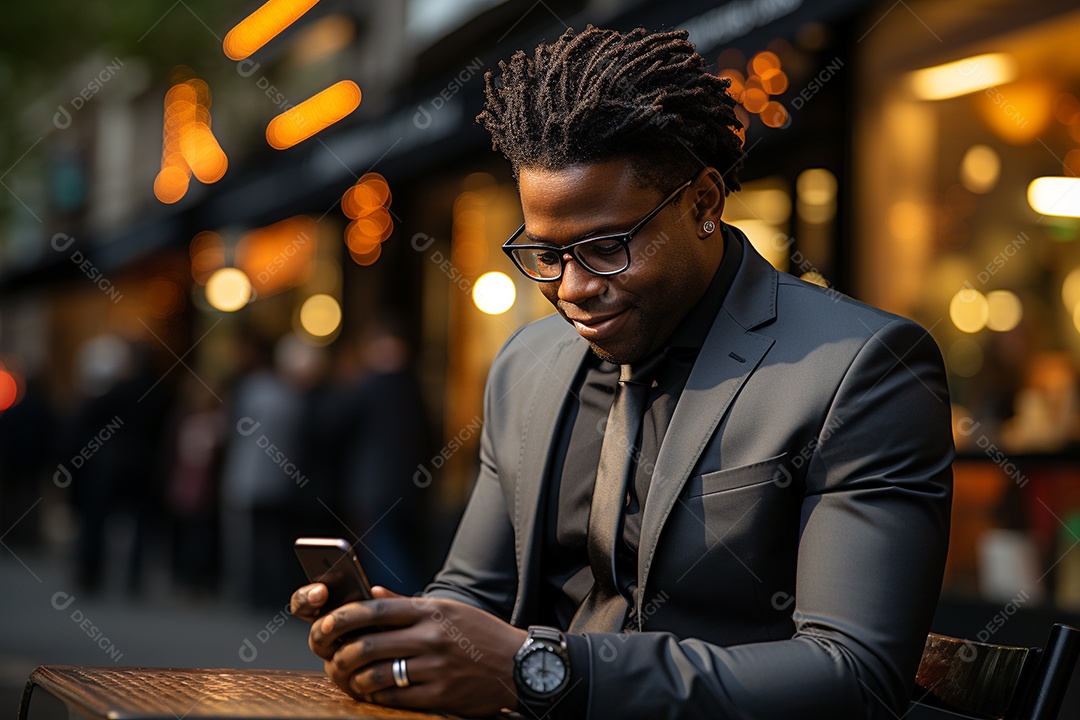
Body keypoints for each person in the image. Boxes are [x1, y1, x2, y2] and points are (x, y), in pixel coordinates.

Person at [291, 26, 953, 720]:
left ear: (703, 203)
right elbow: (472, 594)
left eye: (605, 247)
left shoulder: (865, 368)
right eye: (544, 254)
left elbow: (854, 677)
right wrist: (403, 636)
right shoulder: (527, 364)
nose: (572, 287)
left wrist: (546, 672)